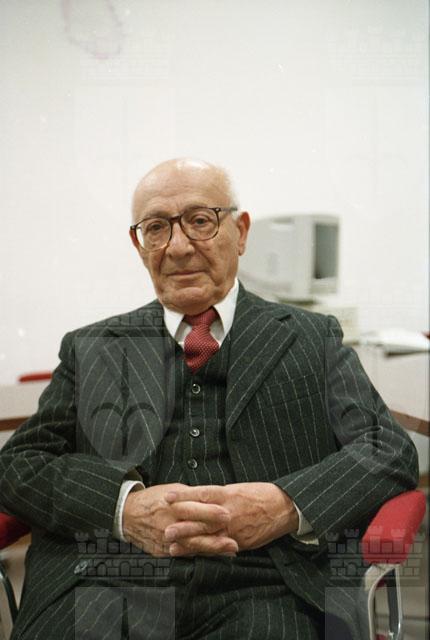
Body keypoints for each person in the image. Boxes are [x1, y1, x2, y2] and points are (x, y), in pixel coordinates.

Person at [0, 159, 418, 640]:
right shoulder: (91, 347)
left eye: (200, 221)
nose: (178, 247)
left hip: (271, 584)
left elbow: (388, 449)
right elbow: (19, 465)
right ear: (139, 245)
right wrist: (122, 509)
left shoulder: (311, 338)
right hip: (105, 577)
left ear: (240, 232)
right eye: (157, 228)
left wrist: (284, 505)